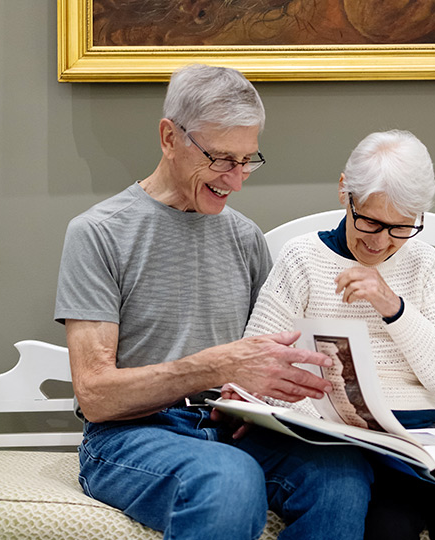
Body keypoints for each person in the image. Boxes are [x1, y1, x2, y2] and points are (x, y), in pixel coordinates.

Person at [54, 63, 373, 540]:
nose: (237, 180)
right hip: (133, 436)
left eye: (248, 160)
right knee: (229, 479)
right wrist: (212, 367)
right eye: (222, 159)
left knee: (342, 476)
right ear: (169, 137)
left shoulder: (244, 237)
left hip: (235, 427)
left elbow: (263, 360)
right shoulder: (99, 233)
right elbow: (96, 396)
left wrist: (265, 394)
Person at [243, 130, 435, 540]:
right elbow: (256, 371)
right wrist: (324, 426)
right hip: (348, 445)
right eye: (370, 221)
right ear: (344, 193)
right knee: (388, 523)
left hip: (424, 439)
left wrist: (394, 307)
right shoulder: (303, 258)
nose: (381, 242)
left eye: (401, 227)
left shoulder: (422, 260)